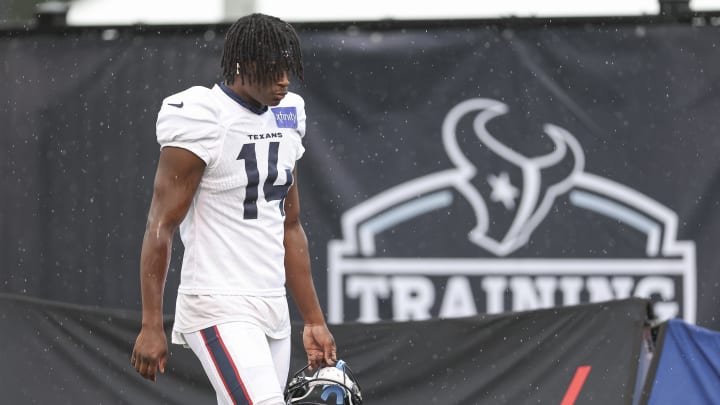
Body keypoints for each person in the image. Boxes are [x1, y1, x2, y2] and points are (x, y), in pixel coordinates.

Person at [130, 13, 337, 405]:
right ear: (242, 66)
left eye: (287, 69)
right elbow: (161, 225)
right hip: (218, 302)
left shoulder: (289, 112)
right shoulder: (201, 115)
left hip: (272, 305)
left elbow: (289, 224)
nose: (284, 80)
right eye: (273, 69)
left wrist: (312, 319)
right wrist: (151, 323)